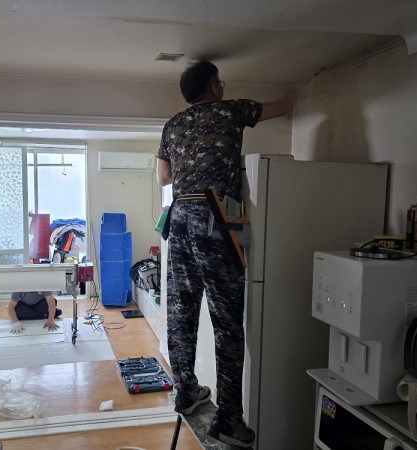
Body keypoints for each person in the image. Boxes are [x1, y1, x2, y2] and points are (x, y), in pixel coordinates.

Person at [156, 60, 293, 447]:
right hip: (213, 218)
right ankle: (229, 418)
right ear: (214, 87)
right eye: (221, 82)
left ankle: (186, 390)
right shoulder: (231, 110)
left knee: (181, 312)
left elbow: (163, 177)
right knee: (227, 321)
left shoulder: (172, 124)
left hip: (178, 216)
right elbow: (282, 107)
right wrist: (300, 92)